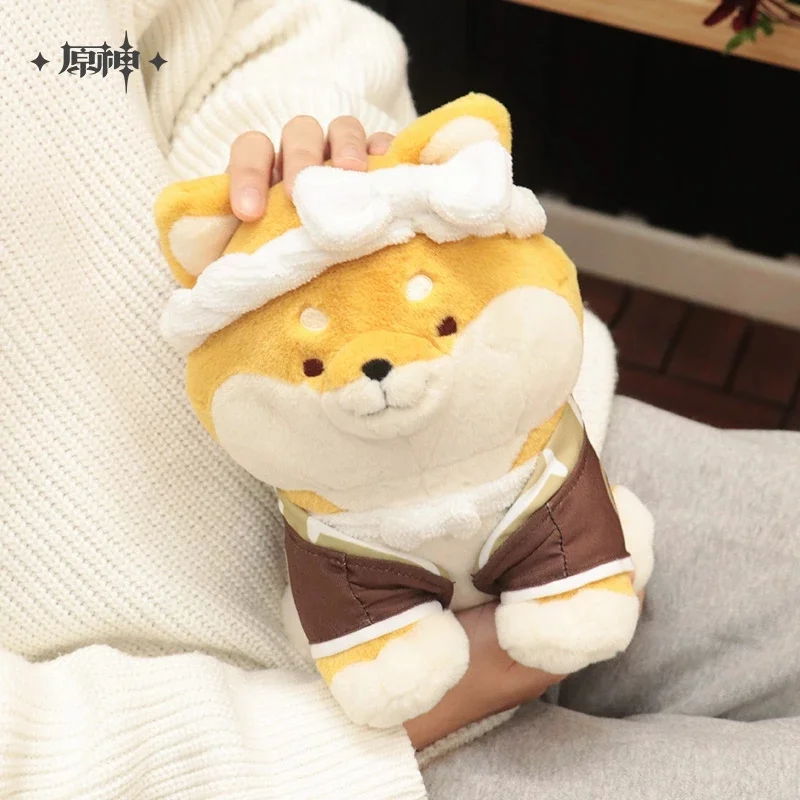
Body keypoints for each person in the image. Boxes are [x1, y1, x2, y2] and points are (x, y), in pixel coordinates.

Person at [3, 0, 798, 798]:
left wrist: (316, 203)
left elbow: (231, 31)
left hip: (523, 436)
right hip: (259, 747)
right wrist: (312, 747)